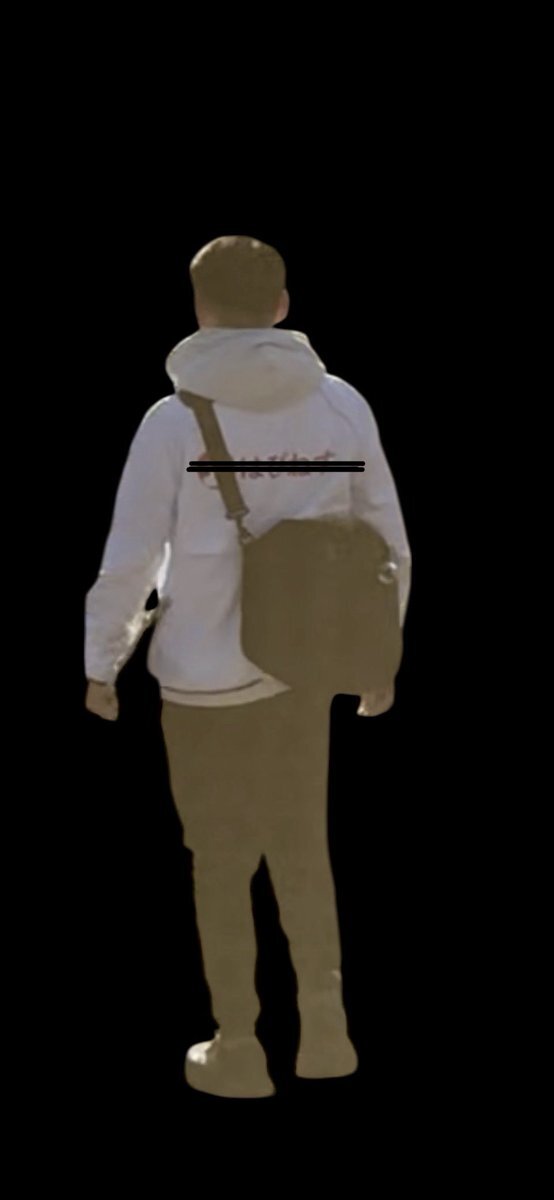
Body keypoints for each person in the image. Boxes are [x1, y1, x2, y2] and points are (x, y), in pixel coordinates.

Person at [85, 235, 412, 1098]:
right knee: (304, 849)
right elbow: (386, 542)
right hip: (301, 673)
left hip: (200, 683)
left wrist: (102, 661)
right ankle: (328, 1037)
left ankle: (238, 1048)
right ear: (282, 305)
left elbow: (130, 556)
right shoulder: (340, 407)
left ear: (199, 309)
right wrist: (378, 658)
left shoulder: (173, 423)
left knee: (220, 862)